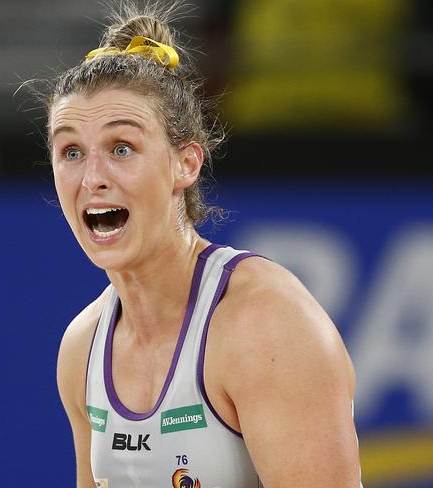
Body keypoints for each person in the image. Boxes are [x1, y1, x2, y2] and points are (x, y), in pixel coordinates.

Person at [51, 3, 362, 487]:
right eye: (71, 151)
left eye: (122, 149)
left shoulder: (266, 326)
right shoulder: (83, 348)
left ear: (186, 164)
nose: (93, 178)